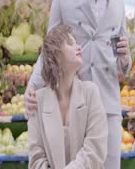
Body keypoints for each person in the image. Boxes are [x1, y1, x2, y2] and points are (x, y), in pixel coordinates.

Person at [26, 0, 131, 168]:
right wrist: (32, 87)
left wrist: (125, 60)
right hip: (76, 105)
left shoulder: (117, 5)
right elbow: (49, 49)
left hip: (109, 104)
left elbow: (123, 65)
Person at [28, 24, 108, 168]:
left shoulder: (91, 92)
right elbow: (36, 157)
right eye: (70, 44)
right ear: (55, 55)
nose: (78, 47)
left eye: (76, 42)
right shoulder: (37, 101)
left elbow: (95, 150)